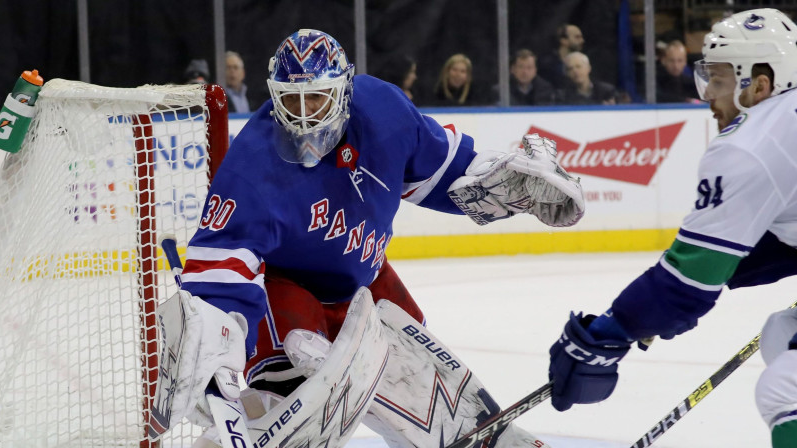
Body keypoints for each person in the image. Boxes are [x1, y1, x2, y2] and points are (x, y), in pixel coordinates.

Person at [157, 29, 585, 447]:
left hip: (364, 279)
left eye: (316, 98)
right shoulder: (252, 167)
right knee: (280, 400)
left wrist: (509, 186)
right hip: (284, 288)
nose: (304, 115)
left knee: (416, 383)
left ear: (343, 91)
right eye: (291, 99)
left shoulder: (384, 112)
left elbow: (445, 170)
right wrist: (217, 349)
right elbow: (221, 265)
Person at [546, 9, 797, 447]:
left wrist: (617, 326)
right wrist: (661, 306)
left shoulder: (752, 146)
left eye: (718, 80)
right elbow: (780, 244)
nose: (707, 96)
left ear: (759, 85)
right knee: (782, 335)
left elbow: (688, 285)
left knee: (785, 391)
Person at [538, 24, 585, 89]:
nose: (582, 40)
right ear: (563, 40)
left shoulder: (583, 62)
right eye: (577, 37)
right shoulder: (547, 64)